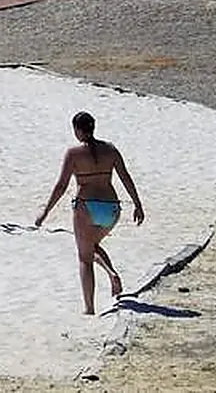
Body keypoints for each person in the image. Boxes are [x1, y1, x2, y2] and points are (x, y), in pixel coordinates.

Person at [36, 111, 145, 314]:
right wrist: (137, 203)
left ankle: (89, 308)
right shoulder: (110, 150)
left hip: (87, 206)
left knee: (85, 258)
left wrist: (45, 212)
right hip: (111, 207)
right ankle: (111, 272)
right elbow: (125, 177)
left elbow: (61, 186)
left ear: (77, 130)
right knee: (92, 246)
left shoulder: (74, 153)